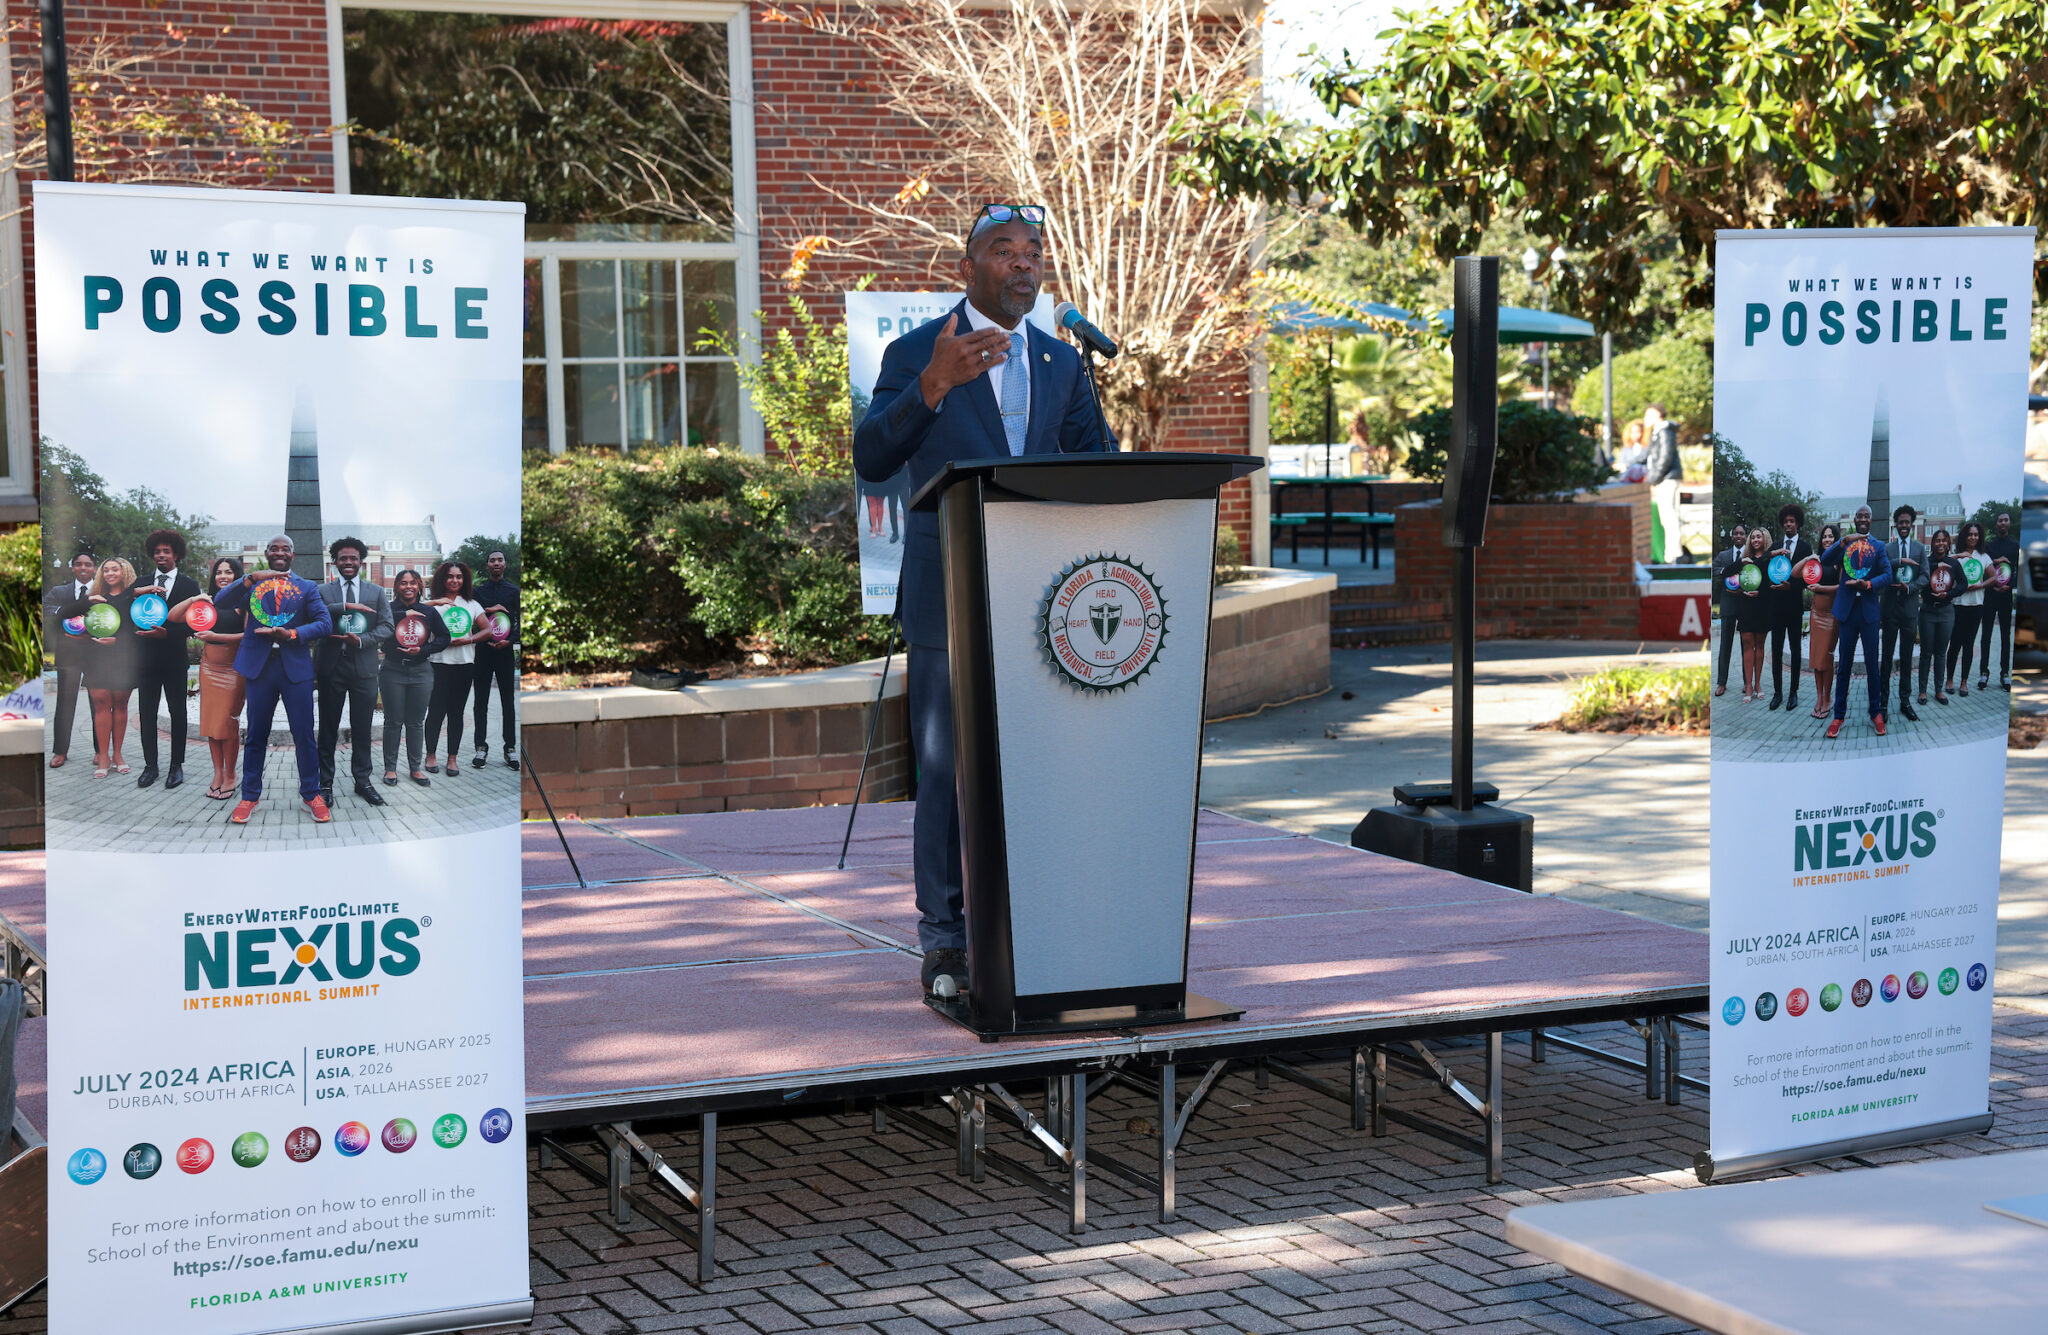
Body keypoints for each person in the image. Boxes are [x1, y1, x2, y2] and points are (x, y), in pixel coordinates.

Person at [851, 202, 1107, 997]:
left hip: (1043, 602)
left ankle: (1030, 917)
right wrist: (931, 386)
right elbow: (870, 458)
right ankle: (945, 937)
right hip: (948, 595)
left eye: (1033, 251)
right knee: (945, 771)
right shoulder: (913, 352)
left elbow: (1098, 463)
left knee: (1036, 768)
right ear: (967, 268)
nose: (1024, 263)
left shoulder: (1064, 365)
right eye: (1004, 251)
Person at [217, 535, 332, 825]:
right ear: (267, 554)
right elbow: (220, 601)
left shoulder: (306, 587)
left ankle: (311, 794)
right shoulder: (254, 584)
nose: (280, 553)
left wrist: (292, 634)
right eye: (274, 549)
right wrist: (248, 578)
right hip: (260, 668)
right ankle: (250, 796)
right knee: (256, 735)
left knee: (304, 735)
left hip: (295, 668)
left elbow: (324, 623)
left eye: (286, 549)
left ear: (293, 556)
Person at [316, 537, 395, 808]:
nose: (348, 562)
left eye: (353, 558)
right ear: (334, 562)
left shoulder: (375, 592)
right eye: (342, 558)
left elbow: (387, 626)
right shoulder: (323, 591)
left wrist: (362, 640)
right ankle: (324, 783)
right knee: (327, 729)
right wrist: (346, 607)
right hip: (330, 667)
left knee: (362, 729)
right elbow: (316, 617)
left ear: (361, 562)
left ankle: (363, 781)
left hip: (363, 668)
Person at [57, 557, 145, 777]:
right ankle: (103, 757)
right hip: (97, 660)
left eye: (115, 569)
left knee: (121, 706)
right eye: (106, 570)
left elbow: (140, 632)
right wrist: (87, 602)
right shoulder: (96, 598)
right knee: (100, 705)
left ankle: (118, 755)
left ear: (124, 571)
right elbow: (64, 615)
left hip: (123, 659)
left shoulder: (132, 598)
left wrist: (117, 641)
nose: (110, 573)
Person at [173, 557, 249, 800]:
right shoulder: (208, 603)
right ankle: (217, 773)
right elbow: (173, 617)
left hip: (234, 669)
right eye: (219, 572)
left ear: (237, 576)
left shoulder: (244, 601)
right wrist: (195, 598)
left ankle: (231, 774)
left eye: (229, 572)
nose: (223, 576)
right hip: (208, 667)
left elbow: (248, 636)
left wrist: (215, 636)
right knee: (210, 724)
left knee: (227, 724)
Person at [132, 528, 200, 790]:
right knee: (147, 715)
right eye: (157, 551)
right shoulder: (142, 583)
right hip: (146, 661)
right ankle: (151, 766)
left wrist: (168, 634)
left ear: (176, 555)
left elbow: (194, 624)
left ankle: (176, 766)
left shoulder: (189, 586)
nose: (161, 555)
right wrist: (136, 593)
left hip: (174, 660)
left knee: (178, 713)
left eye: (166, 551)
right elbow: (130, 614)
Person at [1821, 505, 1893, 739]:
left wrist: (1868, 585)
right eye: (1859, 516)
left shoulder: (1878, 546)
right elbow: (1824, 559)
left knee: (1872, 665)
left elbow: (1888, 575)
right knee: (1844, 666)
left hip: (1869, 612)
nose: (1863, 519)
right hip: (1848, 612)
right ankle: (1839, 715)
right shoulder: (1847, 544)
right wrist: (1842, 542)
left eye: (1866, 516)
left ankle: (1875, 713)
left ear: (1871, 521)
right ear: (1854, 520)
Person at [380, 569, 451, 786]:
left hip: (421, 671)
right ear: (397, 587)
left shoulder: (427, 612)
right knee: (393, 721)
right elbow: (380, 631)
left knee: (416, 722)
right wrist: (404, 615)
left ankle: (415, 768)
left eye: (413, 583)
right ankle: (390, 769)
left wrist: (424, 650)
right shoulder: (388, 610)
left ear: (419, 586)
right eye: (403, 583)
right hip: (393, 670)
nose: (408, 586)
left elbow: (445, 637)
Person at [423, 560, 491, 776]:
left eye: (459, 577)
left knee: (456, 713)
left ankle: (452, 758)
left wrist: (468, 641)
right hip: (437, 664)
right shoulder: (434, 603)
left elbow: (487, 630)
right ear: (443, 578)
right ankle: (431, 755)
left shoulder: (471, 603)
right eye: (450, 576)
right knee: (435, 713)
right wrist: (434, 602)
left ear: (464, 580)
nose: (454, 580)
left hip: (464, 665)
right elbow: (414, 613)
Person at [43, 551, 99, 769]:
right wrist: (66, 615)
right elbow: (49, 614)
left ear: (94, 568)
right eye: (79, 564)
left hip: (96, 654)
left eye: (88, 564)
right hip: (68, 655)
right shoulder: (59, 591)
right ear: (73, 567)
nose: (83, 568)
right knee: (65, 704)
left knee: (99, 703)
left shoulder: (103, 591)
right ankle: (60, 751)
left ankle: (100, 749)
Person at [470, 549, 520, 771]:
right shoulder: (477, 592)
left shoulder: (514, 591)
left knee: (508, 701)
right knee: (480, 701)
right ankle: (481, 747)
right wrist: (491, 609)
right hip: (482, 651)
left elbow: (522, 622)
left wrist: (510, 641)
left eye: (500, 560)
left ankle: (510, 748)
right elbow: (473, 619)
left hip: (505, 651)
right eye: (492, 560)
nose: (496, 563)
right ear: (487, 565)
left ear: (505, 564)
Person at [1879, 505, 1927, 723]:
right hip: (1890, 610)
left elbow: (1926, 576)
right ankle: (1882, 703)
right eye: (1900, 522)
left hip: (1909, 611)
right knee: (1886, 659)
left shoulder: (1919, 548)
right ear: (1895, 524)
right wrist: (1897, 563)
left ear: (1912, 524)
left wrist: (1911, 587)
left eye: (1907, 522)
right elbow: (1881, 570)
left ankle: (1905, 701)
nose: (1904, 525)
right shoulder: (1887, 549)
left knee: (1906, 659)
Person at [1766, 503, 1813, 711]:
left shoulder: (1805, 548)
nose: (1788, 524)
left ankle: (1793, 692)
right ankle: (1778, 692)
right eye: (1785, 521)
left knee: (1795, 650)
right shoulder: (1775, 546)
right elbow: (1764, 567)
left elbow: (1808, 578)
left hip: (1794, 605)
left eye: (1792, 521)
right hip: (1776, 606)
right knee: (1776, 649)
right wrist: (1772, 554)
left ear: (1798, 524)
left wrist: (1791, 586)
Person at [1944, 520, 1994, 696]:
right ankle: (1949, 679)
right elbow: (1944, 565)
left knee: (1969, 645)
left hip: (1975, 606)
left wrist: (1980, 586)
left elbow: (1993, 577)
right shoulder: (1956, 555)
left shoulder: (1984, 557)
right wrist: (1959, 556)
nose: (1973, 537)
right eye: (1970, 534)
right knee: (1954, 645)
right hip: (1957, 606)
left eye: (1976, 534)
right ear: (1964, 536)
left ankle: (1964, 682)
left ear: (1979, 537)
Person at [1917, 528, 1963, 707]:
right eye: (1937, 540)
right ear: (1932, 543)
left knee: (1941, 653)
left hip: (1946, 611)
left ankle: (1938, 690)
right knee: (1926, 653)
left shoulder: (1953, 564)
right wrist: (1937, 567)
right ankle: (1922, 691)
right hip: (1928, 610)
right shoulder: (1926, 563)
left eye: (1944, 540)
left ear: (1948, 544)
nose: (1941, 543)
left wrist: (1950, 594)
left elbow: (1964, 584)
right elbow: (1922, 580)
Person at [1980, 510, 2019, 691]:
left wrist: (2010, 586)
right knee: (1986, 635)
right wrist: (1996, 560)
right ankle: (1983, 672)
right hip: (1990, 595)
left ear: (2009, 523)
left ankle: (2004, 674)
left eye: (2006, 520)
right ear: (1996, 524)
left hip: (2005, 596)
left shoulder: (2016, 546)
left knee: (2005, 636)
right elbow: (1984, 568)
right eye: (2000, 520)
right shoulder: (1989, 547)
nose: (2003, 523)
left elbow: (2020, 572)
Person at [1806, 523, 1842, 719]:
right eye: (1824, 536)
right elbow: (1796, 573)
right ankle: (1819, 698)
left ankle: (1828, 698)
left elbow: (1841, 587)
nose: (1827, 539)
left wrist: (1819, 587)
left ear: (1836, 539)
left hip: (1831, 615)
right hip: (1815, 613)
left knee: (1825, 659)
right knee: (1815, 659)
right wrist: (1808, 558)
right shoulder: (1817, 561)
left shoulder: (1840, 561)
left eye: (1831, 536)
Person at [1734, 528, 1773, 700]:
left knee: (1760, 645)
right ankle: (1748, 685)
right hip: (1746, 607)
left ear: (1765, 539)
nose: (1756, 539)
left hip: (1762, 606)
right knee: (1748, 645)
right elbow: (1732, 577)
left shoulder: (1770, 559)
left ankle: (1758, 683)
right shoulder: (1744, 559)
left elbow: (1772, 584)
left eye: (1759, 536)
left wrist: (1761, 593)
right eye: (1753, 537)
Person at [1642, 404, 1683, 562]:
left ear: (1657, 414)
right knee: (1667, 517)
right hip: (1664, 478)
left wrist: (1653, 479)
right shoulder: (1658, 432)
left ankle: (1674, 555)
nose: (1645, 419)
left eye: (1647, 415)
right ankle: (1671, 554)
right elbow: (1649, 456)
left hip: (1667, 479)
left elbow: (1665, 457)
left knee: (1670, 517)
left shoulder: (1665, 431)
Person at [1712, 522, 1747, 697]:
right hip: (1727, 603)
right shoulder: (1724, 555)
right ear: (1732, 536)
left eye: (1742, 533)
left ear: (1745, 537)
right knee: (1725, 644)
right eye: (1736, 533)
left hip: (1746, 604)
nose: (1739, 536)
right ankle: (1721, 682)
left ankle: (1747, 682)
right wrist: (1725, 571)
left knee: (1746, 644)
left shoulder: (1750, 555)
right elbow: (1714, 569)